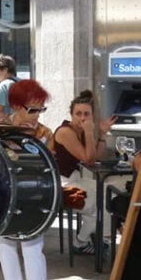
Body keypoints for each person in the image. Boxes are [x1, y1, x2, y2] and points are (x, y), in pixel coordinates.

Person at [0, 80, 55, 280]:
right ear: (15, 107)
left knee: (31, 246)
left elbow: (47, 166)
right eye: (31, 109)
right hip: (4, 193)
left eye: (40, 110)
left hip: (32, 195)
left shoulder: (44, 133)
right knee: (4, 242)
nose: (37, 115)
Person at [53, 90, 115, 256]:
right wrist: (89, 132)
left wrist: (102, 135)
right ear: (71, 114)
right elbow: (88, 160)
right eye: (78, 114)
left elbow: (96, 157)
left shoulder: (81, 131)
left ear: (92, 116)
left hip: (75, 178)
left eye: (86, 114)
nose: (82, 118)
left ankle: (88, 240)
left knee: (108, 192)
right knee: (94, 203)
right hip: (60, 184)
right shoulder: (65, 131)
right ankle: (95, 240)